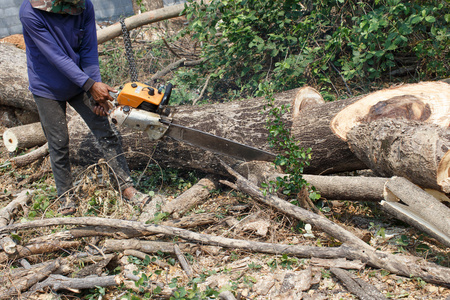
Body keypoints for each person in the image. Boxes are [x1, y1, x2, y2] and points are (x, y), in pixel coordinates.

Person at [19, 0, 149, 214]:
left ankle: (127, 188)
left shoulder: (84, 6)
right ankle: (65, 198)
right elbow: (56, 57)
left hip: (81, 82)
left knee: (106, 132)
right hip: (47, 87)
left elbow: (88, 49)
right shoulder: (30, 11)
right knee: (59, 142)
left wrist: (95, 90)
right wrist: (90, 85)